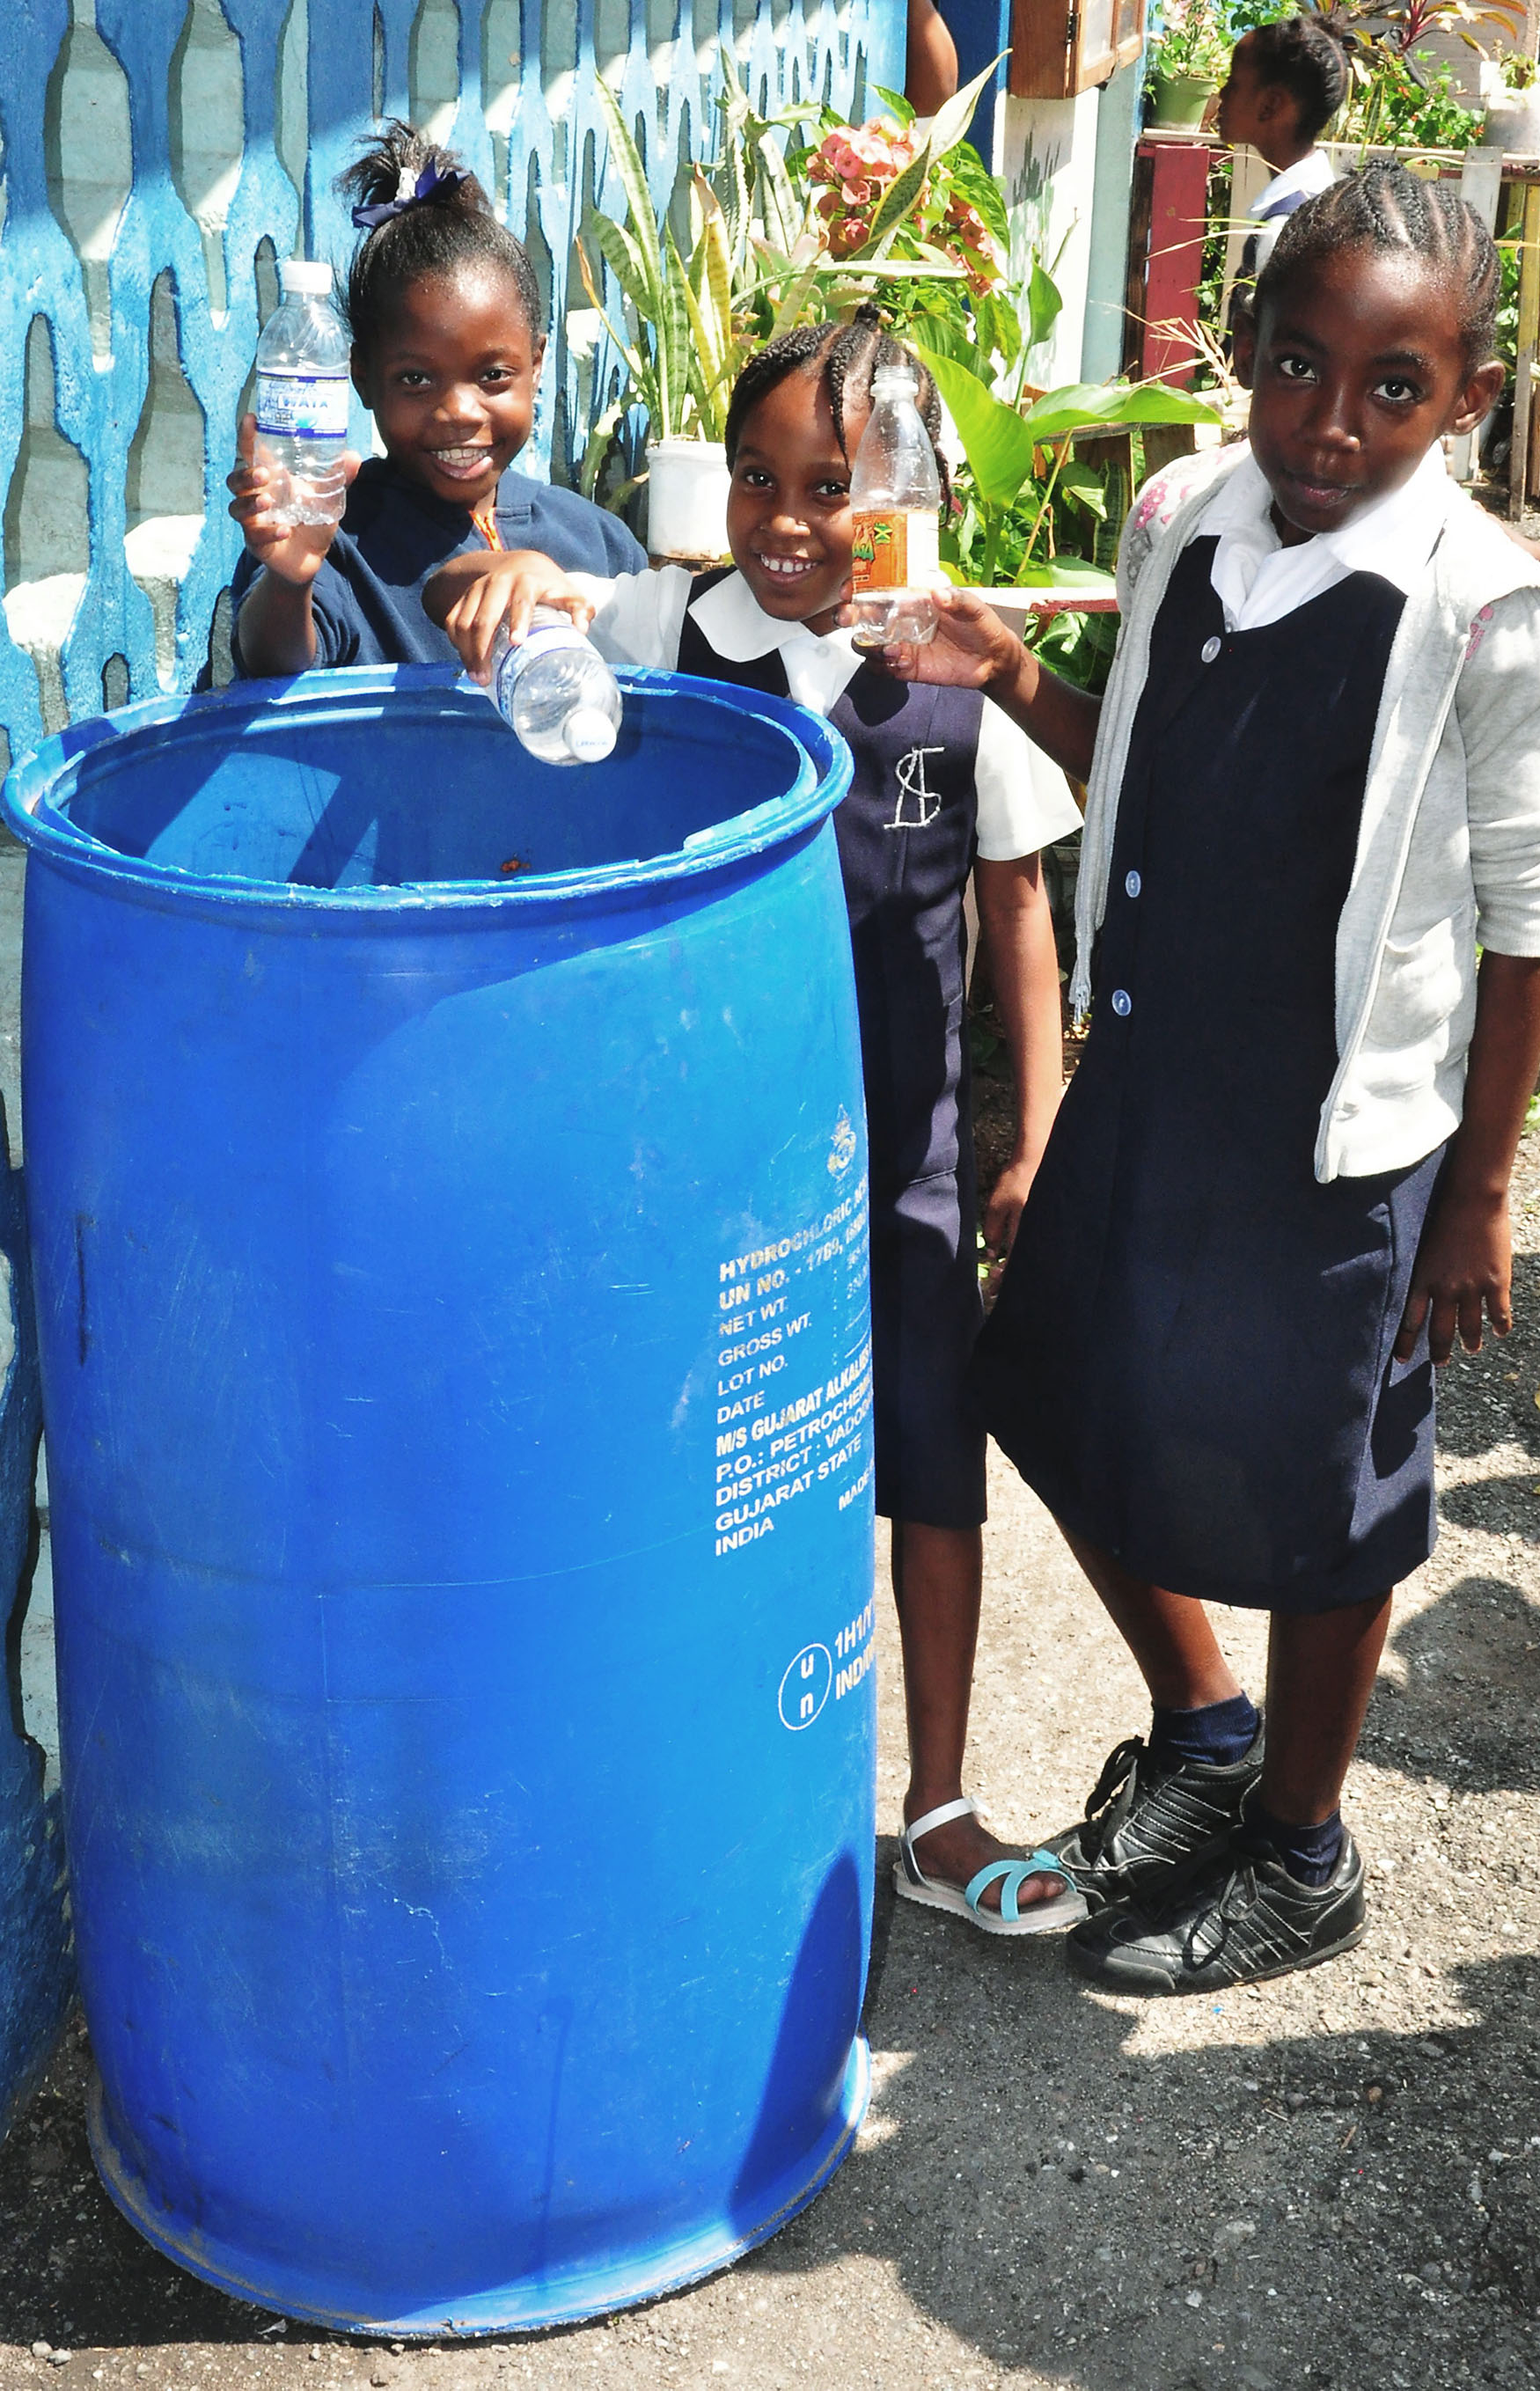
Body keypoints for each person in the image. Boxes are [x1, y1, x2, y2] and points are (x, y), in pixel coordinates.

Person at [867, 161, 1540, 1990]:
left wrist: (1476, 1193)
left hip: (1334, 1138)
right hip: (1153, 1082)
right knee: (1059, 1394)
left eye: (1391, 386)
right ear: (1242, 350)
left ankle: (1300, 1845)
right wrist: (1014, 678)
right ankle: (1202, 1728)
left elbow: (1527, 928)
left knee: (1323, 1497)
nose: (1329, 422)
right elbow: (1140, 774)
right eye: (1293, 365)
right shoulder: (1186, 518)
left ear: (1465, 399)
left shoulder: (1481, 614)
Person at [428, 313, 1087, 1935]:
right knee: (715, 1463)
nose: (787, 523)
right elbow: (505, 601)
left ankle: (937, 1806)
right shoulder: (672, 626)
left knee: (931, 1466)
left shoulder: (950, 672)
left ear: (907, 495)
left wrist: (1037, 1129)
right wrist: (507, 581)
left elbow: (1015, 909)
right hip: (713, 1175)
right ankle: (709, 1768)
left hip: (903, 1164)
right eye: (755, 479)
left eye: (829, 488)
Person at [224, 122, 644, 680]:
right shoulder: (333, 534)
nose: (460, 413)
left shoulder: (599, 540)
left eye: (493, 375)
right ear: (362, 377)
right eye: (417, 379)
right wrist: (289, 581)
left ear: (536, 364)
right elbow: (273, 663)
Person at [1215, 13, 1351, 285]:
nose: (1222, 93)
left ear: (1270, 106)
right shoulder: (1320, 201)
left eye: (1233, 83)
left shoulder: (1283, 231)